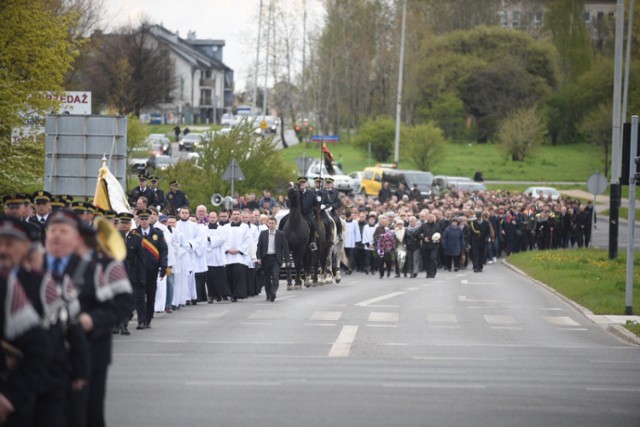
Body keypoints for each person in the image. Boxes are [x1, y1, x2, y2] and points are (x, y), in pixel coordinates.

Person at [135, 209, 168, 328]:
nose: (144, 221)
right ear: (138, 220)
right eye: (142, 219)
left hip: (152, 269)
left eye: (146, 218)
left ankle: (148, 318)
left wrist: (164, 266)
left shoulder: (157, 233)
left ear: (150, 219)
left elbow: (163, 250)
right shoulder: (134, 234)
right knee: (139, 295)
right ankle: (140, 319)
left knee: (150, 294)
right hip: (138, 270)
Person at [256, 216, 290, 302]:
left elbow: (285, 248)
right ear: (267, 224)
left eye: (272, 223)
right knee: (267, 278)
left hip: (276, 258)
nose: (271, 225)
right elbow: (259, 247)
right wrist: (259, 258)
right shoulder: (263, 233)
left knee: (275, 276)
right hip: (266, 258)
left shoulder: (280, 234)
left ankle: (273, 292)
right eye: (269, 223)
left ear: (276, 224)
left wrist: (287, 260)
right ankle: (268, 295)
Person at [224, 208, 252, 302]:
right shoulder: (226, 227)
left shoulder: (245, 227)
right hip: (228, 256)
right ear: (231, 216)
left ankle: (236, 295)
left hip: (239, 257)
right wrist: (227, 249)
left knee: (238, 276)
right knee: (229, 276)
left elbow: (248, 240)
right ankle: (230, 293)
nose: (236, 216)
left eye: (237, 214)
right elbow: (222, 240)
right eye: (234, 214)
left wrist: (239, 250)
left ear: (240, 215)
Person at [205, 211, 231, 302]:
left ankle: (223, 294)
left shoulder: (221, 229)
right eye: (210, 217)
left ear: (217, 218)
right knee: (209, 278)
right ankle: (211, 295)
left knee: (220, 276)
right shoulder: (204, 228)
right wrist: (209, 241)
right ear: (208, 218)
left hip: (218, 255)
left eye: (214, 217)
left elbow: (222, 239)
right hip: (208, 256)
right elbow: (202, 239)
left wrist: (210, 239)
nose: (212, 219)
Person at [419, 213, 442, 278]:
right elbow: (418, 234)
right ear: (427, 218)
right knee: (426, 260)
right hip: (425, 246)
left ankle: (433, 272)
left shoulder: (437, 225)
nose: (430, 218)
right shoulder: (423, 226)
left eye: (431, 217)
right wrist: (423, 238)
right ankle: (428, 273)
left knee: (433, 258)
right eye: (429, 217)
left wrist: (438, 239)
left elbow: (441, 235)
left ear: (434, 218)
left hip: (434, 246)